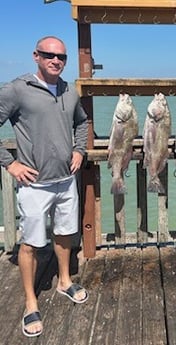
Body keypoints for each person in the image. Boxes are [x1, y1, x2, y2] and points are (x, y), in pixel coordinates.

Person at [0, 36, 89, 337]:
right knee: (31, 244)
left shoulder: (69, 91)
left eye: (61, 57)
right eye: (49, 55)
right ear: (36, 56)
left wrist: (79, 150)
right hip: (34, 184)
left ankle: (64, 280)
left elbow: (81, 123)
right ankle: (30, 301)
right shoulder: (17, 89)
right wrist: (9, 163)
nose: (56, 61)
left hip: (66, 181)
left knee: (65, 234)